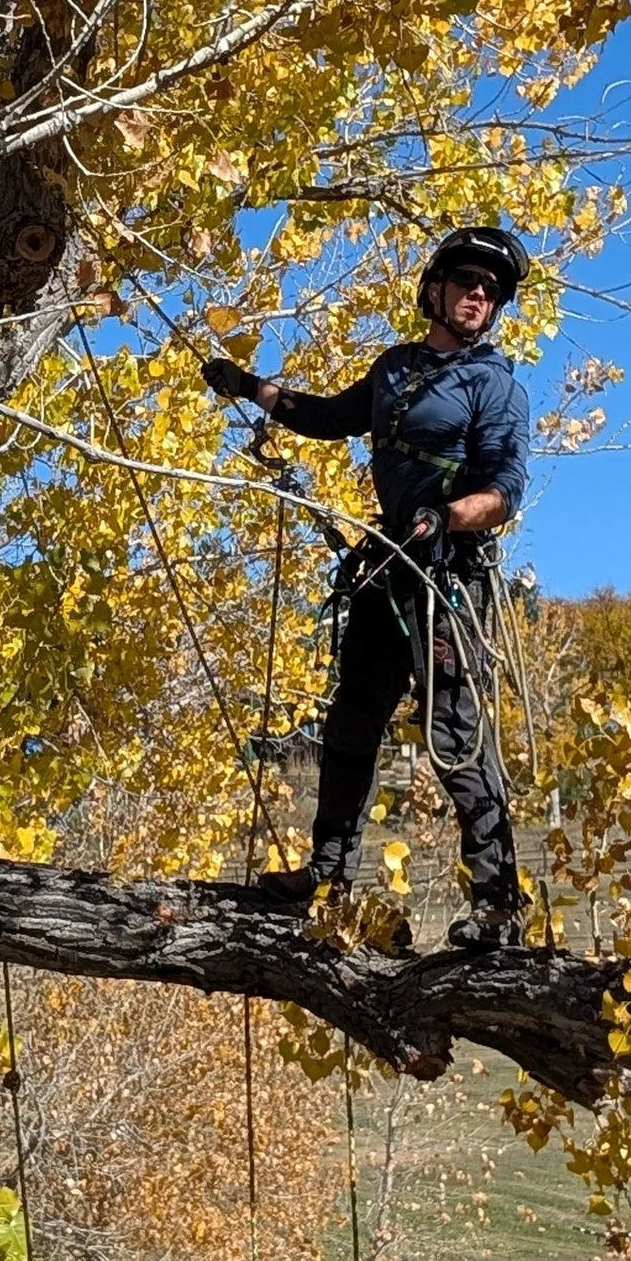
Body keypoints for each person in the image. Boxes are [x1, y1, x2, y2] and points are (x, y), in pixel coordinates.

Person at [203, 226, 530, 948]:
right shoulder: (394, 370)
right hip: (387, 570)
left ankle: (500, 904)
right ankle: (328, 877)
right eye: (468, 282)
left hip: (447, 578)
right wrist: (248, 386)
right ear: (437, 290)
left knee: (453, 737)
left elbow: (506, 492)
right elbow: (326, 417)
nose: (479, 296)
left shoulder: (496, 386)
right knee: (350, 726)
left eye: (491, 290)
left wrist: (447, 517)